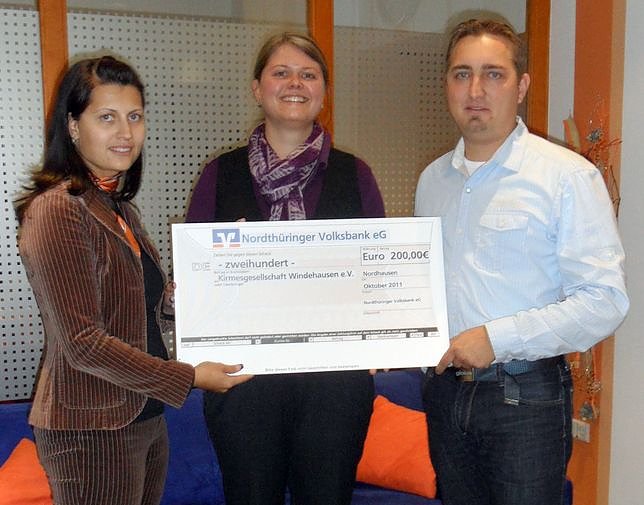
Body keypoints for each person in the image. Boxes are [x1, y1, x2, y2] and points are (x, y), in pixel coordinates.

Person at [15, 55, 252, 505]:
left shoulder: (119, 208)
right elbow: (83, 342)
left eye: (135, 117)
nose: (126, 132)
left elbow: (135, 311)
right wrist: (188, 377)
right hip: (90, 427)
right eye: (107, 117)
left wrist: (204, 281)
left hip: (142, 415)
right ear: (73, 126)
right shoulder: (58, 209)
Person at [414, 18, 629, 505]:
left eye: (493, 74)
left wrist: (496, 338)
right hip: (444, 392)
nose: (476, 90)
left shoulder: (566, 177)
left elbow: (605, 302)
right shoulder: (432, 181)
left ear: (522, 85)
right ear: (447, 84)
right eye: (462, 73)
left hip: (525, 397)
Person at [186, 32, 385, 505]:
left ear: (323, 92)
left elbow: (377, 273)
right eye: (281, 72)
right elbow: (194, 286)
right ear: (258, 88)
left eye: (308, 74)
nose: (295, 83)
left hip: (335, 386)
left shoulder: (356, 174)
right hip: (243, 384)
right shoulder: (219, 175)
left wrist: (382, 340)